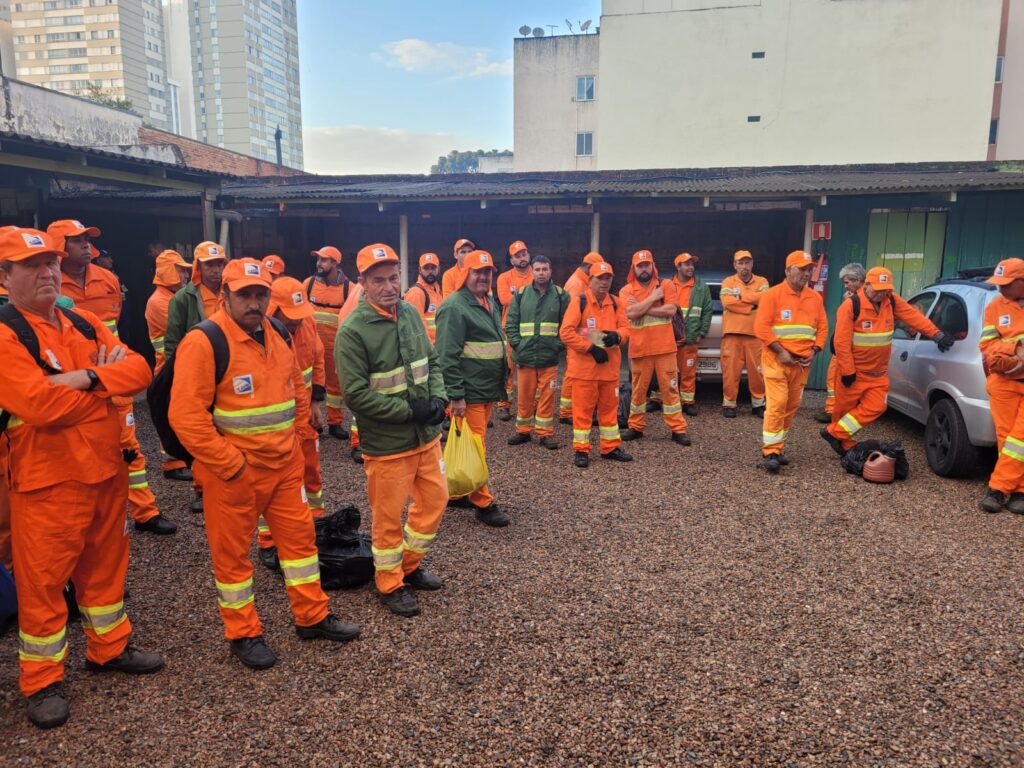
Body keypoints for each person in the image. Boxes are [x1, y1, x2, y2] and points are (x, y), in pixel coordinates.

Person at [0, 227, 164, 729]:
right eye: (32, 266)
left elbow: (141, 371)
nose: (47, 272)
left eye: (50, 263)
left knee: (106, 570)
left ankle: (108, 649)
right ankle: (42, 681)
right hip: (47, 483)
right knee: (43, 584)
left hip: (105, 473)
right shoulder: (5, 333)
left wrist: (86, 377)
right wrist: (106, 390)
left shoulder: (83, 321)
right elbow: (39, 405)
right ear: (5, 277)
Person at [169, 258, 359, 670]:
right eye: (245, 294)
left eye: (260, 294)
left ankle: (312, 616)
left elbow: (294, 387)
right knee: (233, 558)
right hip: (233, 474)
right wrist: (231, 464)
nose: (254, 302)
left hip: (284, 466)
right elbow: (185, 417)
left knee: (301, 546)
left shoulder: (276, 331)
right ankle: (243, 633)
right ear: (225, 295)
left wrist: (297, 439)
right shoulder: (204, 342)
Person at [336, 243, 449, 617]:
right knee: (387, 518)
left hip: (425, 438)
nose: (389, 287)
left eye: (393, 278)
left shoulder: (410, 314)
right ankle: (389, 582)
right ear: (363, 283)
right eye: (379, 280)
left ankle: (408, 566)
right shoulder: (353, 331)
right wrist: (409, 411)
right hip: (388, 445)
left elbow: (432, 362)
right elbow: (356, 396)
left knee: (435, 501)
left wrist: (438, 398)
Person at [49, 219, 175, 536]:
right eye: (77, 240)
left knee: (128, 446)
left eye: (87, 239)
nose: (86, 246)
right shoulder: (50, 285)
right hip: (72, 386)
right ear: (59, 248)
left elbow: (117, 324)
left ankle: (145, 512)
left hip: (113, 378)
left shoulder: (108, 280)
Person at [822, 266, 949, 457]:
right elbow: (841, 342)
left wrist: (936, 334)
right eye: (878, 289)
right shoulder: (851, 306)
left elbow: (913, 316)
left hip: (877, 374)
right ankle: (844, 442)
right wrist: (848, 370)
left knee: (877, 407)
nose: (882, 293)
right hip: (854, 372)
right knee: (843, 412)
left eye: (886, 289)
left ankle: (834, 433)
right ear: (867, 285)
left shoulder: (891, 300)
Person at [434, 250, 510, 527]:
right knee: (476, 446)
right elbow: (446, 356)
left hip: (486, 388)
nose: (483, 277)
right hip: (470, 391)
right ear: (465, 273)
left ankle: (456, 493)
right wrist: (456, 396)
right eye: (477, 271)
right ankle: (483, 502)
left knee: (468, 442)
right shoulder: (454, 306)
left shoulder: (488, 300)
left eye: (488, 272)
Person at [257, 276, 328, 571]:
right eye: (290, 316)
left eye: (300, 315)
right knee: (272, 483)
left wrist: (315, 403)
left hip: (304, 414)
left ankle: (316, 525)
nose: (297, 321)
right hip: (275, 422)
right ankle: (268, 541)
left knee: (311, 472)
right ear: (273, 310)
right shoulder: (260, 333)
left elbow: (318, 360)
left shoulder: (307, 322)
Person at [164, 241, 228, 515]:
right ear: (198, 267)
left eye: (219, 263)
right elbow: (172, 341)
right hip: (198, 374)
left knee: (228, 430)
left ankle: (230, 479)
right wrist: (176, 376)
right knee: (202, 432)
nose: (216, 270)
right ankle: (202, 489)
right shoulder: (183, 299)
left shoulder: (232, 292)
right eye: (210, 264)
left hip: (228, 373)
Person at [754, 251, 829, 473]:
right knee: (777, 403)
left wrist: (815, 350)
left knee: (791, 405)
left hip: (801, 363)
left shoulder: (815, 298)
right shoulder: (772, 295)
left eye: (809, 269)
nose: (807, 273)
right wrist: (780, 352)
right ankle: (770, 452)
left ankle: (778, 446)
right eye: (802, 269)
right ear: (788, 270)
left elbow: (823, 327)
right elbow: (761, 327)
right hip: (776, 360)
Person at [559, 260, 632, 467]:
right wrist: (590, 348)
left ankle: (610, 447)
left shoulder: (616, 303)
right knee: (582, 412)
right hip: (584, 372)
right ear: (590, 280)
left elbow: (626, 329)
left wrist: (618, 336)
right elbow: (565, 333)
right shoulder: (579, 301)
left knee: (609, 411)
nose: (604, 282)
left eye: (608, 278)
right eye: (600, 278)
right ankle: (581, 450)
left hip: (609, 371)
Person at [619, 250, 690, 445]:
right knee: (638, 391)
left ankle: (678, 429)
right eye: (640, 266)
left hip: (665, 348)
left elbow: (670, 310)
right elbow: (631, 314)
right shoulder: (626, 290)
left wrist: (642, 306)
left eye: (647, 265)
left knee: (671, 389)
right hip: (640, 349)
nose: (644, 269)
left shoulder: (665, 285)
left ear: (653, 266)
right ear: (633, 268)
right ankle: (636, 427)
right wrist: (653, 298)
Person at [505, 255, 569, 448]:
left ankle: (544, 434)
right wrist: (517, 344)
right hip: (524, 356)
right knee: (524, 396)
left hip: (549, 357)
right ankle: (523, 431)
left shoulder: (561, 295)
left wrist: (558, 345)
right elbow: (511, 322)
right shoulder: (521, 294)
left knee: (547, 397)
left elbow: (568, 323)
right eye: (538, 269)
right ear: (532, 272)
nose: (541, 273)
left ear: (551, 271)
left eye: (545, 269)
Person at [979, 258, 1024, 513]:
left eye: (1006, 284)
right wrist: (1016, 349)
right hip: (1003, 382)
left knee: (1020, 439)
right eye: (998, 283)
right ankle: (1019, 492)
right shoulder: (995, 307)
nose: (1000, 288)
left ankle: (997, 489)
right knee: (1007, 439)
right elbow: (987, 346)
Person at [145, 249, 193, 481]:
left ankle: (182, 458)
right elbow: (183, 330)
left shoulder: (171, 298)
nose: (185, 275)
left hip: (176, 365)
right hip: (168, 368)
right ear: (168, 272)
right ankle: (173, 463)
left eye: (185, 271)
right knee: (171, 415)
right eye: (180, 270)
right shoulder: (160, 302)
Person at [303, 246, 354, 441]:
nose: (319, 264)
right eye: (318, 260)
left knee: (335, 387)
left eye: (324, 260)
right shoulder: (308, 284)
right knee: (308, 384)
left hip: (335, 346)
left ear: (335, 263)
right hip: (310, 346)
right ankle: (312, 422)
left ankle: (335, 423)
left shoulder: (348, 288)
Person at [815, 263, 867, 424]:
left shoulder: (859, 299)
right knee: (835, 380)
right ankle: (836, 410)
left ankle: (834, 411)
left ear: (857, 280)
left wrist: (848, 302)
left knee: (835, 380)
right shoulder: (858, 297)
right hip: (843, 349)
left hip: (846, 351)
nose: (846, 286)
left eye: (847, 282)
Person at [720, 249, 768, 417]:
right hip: (732, 334)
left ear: (752, 264)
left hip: (755, 336)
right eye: (740, 263)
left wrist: (740, 297)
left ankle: (758, 405)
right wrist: (752, 306)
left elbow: (765, 299)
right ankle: (729, 404)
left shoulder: (762, 281)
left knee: (758, 373)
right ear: (735, 265)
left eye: (747, 262)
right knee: (730, 373)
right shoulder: (728, 281)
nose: (744, 266)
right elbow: (727, 302)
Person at [559, 251, 605, 423]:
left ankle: (574, 409)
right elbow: (575, 320)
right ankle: (566, 413)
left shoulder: (582, 281)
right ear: (588, 267)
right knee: (572, 374)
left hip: (583, 334)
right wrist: (596, 339)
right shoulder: (577, 284)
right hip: (578, 336)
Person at [494, 240, 534, 421]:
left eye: (524, 254)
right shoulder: (504, 277)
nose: (522, 258)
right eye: (517, 256)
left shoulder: (537, 273)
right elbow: (504, 299)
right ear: (511, 260)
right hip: (510, 328)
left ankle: (531, 406)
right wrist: (530, 296)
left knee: (531, 369)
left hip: (533, 329)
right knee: (508, 369)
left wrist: (517, 295)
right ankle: (504, 405)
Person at [672, 252, 712, 416]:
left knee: (688, 372)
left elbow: (707, 312)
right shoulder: (668, 286)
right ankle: (660, 400)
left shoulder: (701, 287)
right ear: (678, 266)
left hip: (690, 338)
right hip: (670, 339)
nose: (691, 267)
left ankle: (687, 402)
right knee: (666, 372)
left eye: (692, 264)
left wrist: (701, 333)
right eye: (687, 264)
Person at [403, 252, 443, 343]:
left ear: (439, 269)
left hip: (438, 345)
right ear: (419, 270)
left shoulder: (437, 290)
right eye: (426, 268)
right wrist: (430, 349)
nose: (430, 271)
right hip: (427, 348)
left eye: (433, 268)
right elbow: (416, 328)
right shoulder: (416, 293)